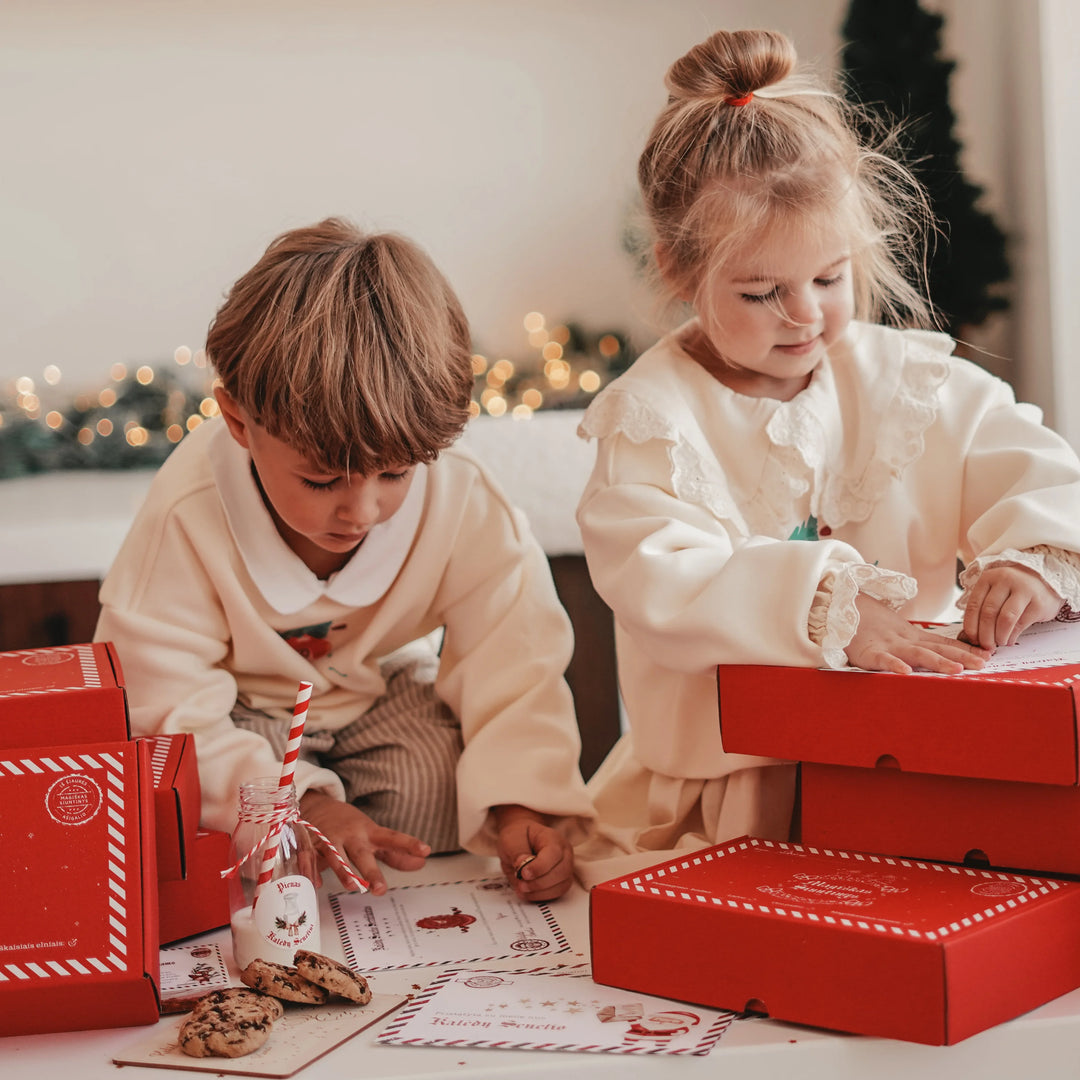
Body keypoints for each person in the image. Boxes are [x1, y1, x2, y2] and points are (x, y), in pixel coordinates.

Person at [573, 28, 1080, 880]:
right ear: (677, 270)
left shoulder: (901, 378)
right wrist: (831, 609)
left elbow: (1035, 466)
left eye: (830, 278)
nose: (804, 316)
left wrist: (1032, 558)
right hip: (739, 790)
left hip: (918, 759)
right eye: (762, 292)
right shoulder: (649, 422)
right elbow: (662, 579)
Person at [95, 218, 594, 899]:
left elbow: (515, 659)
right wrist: (298, 798)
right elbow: (161, 701)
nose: (361, 512)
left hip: (374, 698)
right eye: (323, 481)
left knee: (440, 795)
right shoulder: (189, 511)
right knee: (223, 828)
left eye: (395, 474)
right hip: (238, 712)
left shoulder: (463, 496)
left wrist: (522, 808)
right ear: (239, 422)